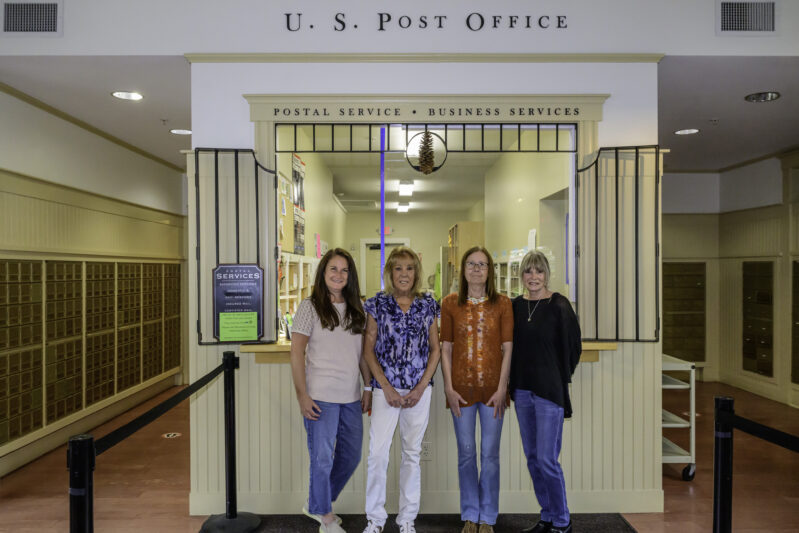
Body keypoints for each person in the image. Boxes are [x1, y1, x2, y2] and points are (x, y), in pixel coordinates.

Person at [290, 248, 373, 533]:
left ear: (350, 276)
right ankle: (325, 516)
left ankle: (317, 503)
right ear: (323, 273)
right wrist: (302, 395)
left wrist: (368, 386)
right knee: (322, 459)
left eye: (344, 270)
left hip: (350, 397)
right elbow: (296, 353)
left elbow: (362, 355)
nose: (339, 275)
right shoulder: (309, 307)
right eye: (333, 269)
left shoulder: (357, 308)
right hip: (320, 398)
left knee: (350, 456)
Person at [361, 246, 441, 533]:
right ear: (390, 273)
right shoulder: (376, 304)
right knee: (377, 455)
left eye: (409, 268)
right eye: (398, 268)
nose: (404, 274)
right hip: (385, 390)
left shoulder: (428, 305)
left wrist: (420, 387)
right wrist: (386, 387)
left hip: (419, 391)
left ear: (416, 273)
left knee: (411, 454)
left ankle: (407, 519)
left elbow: (435, 350)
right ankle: (375, 519)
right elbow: (368, 350)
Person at [440, 247, 513, 533]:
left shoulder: (503, 304)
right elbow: (446, 349)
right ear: (463, 269)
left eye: (482, 264)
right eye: (471, 264)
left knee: (490, 454)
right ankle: (470, 514)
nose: (476, 269)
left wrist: (502, 387)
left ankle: (488, 518)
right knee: (467, 452)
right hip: (460, 391)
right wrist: (448, 388)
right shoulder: (450, 303)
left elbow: (508, 349)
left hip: (494, 392)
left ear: (490, 270)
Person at [510, 250, 581, 533]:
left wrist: (557, 375)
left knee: (546, 459)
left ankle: (562, 521)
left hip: (549, 393)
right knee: (532, 458)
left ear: (546, 274)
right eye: (528, 271)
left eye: (539, 271)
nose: (533, 276)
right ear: (522, 275)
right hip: (522, 392)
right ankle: (547, 515)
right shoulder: (515, 306)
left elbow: (574, 347)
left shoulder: (559, 305)